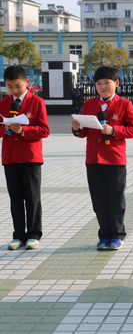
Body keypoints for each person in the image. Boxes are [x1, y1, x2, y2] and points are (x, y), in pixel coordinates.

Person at [71, 66, 133, 251]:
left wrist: (113, 130)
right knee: (99, 200)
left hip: (115, 160)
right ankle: (104, 236)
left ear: (116, 84)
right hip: (93, 160)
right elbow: (83, 133)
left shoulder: (125, 104)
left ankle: (117, 235)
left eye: (107, 83)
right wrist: (77, 128)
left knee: (116, 199)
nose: (103, 87)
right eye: (99, 84)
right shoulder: (89, 105)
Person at [1, 65, 50, 250]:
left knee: (32, 197)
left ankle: (34, 234)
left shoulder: (37, 102)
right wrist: (4, 128)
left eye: (18, 86)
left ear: (27, 82)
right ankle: (18, 235)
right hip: (10, 157)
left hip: (30, 157)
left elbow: (44, 130)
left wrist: (23, 130)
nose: (14, 90)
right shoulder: (3, 104)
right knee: (15, 198)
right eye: (9, 86)